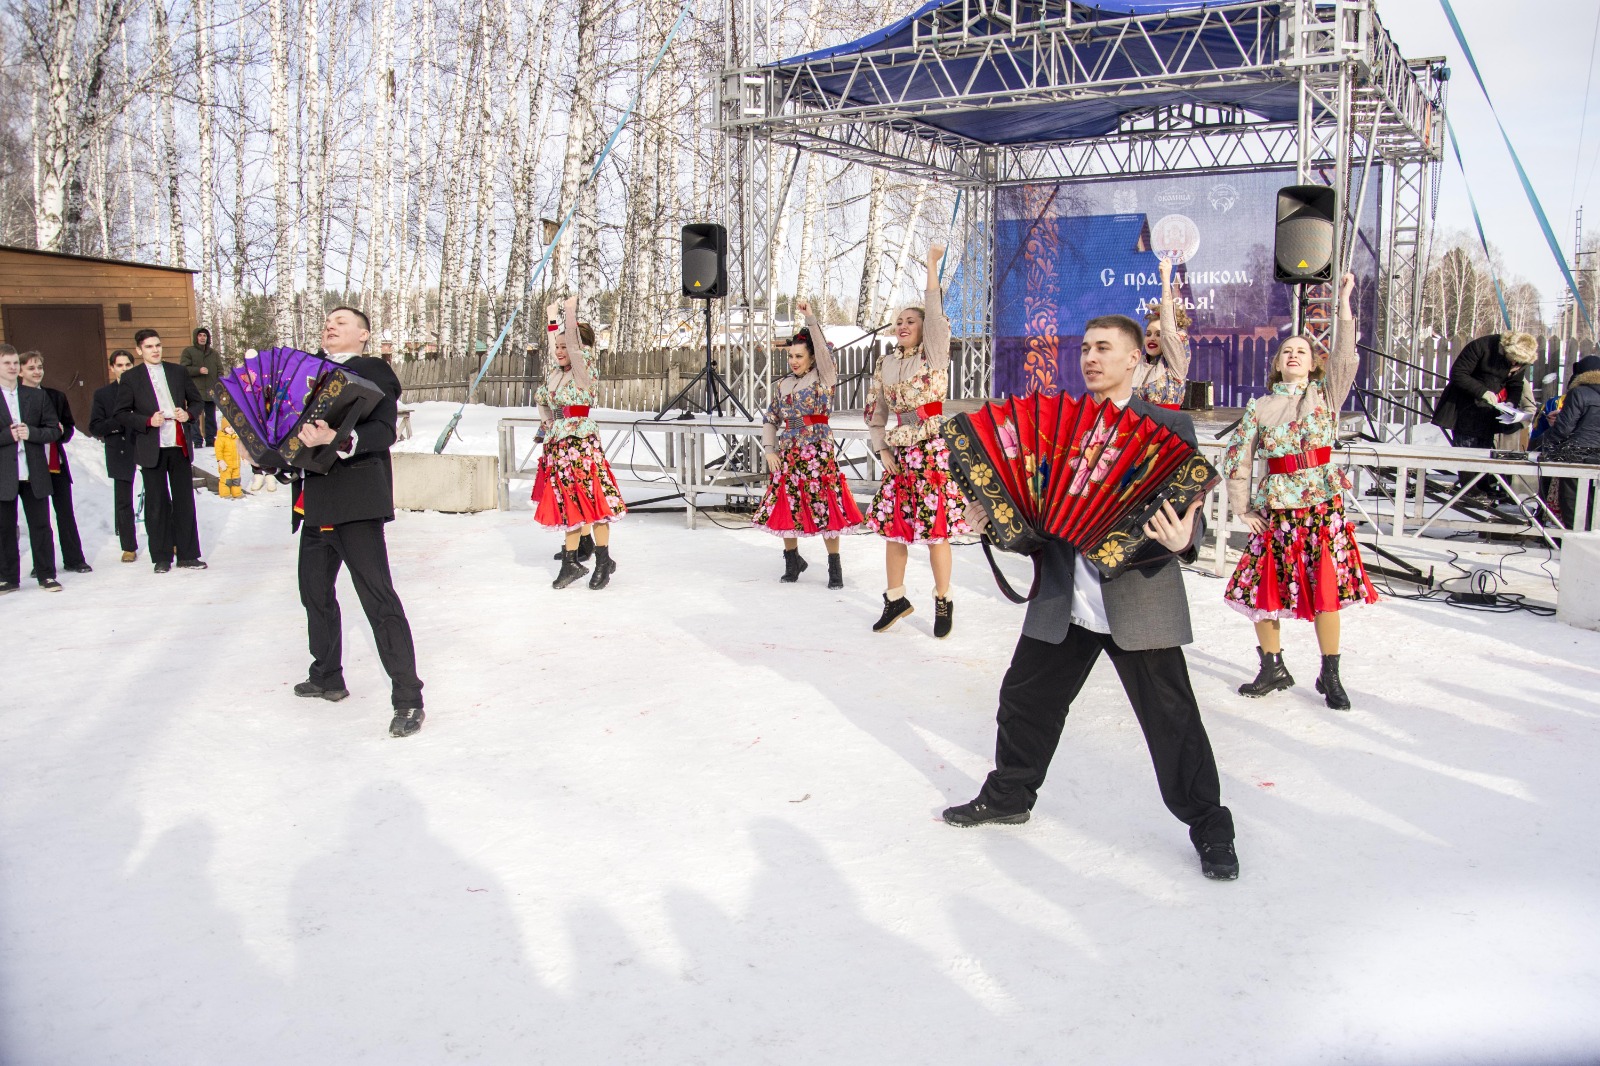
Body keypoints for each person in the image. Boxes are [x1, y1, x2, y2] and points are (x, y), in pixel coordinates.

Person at [943, 315, 1238, 882]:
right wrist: (994, 522)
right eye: (1085, 348)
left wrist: (1186, 542)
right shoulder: (1057, 427)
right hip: (1064, 597)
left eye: (1105, 348)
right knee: (1025, 700)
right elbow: (1035, 517)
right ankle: (1009, 796)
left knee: (1173, 721)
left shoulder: (1169, 424)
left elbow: (1187, 510)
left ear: (1135, 359)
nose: (1091, 357)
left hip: (1141, 601)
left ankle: (1209, 825)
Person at [1222, 273, 1378, 710]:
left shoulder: (1326, 394)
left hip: (1321, 507)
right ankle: (1272, 667)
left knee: (1325, 586)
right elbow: (1238, 458)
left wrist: (1343, 301)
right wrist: (1243, 508)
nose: (1294, 355)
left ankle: (1331, 674)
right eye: (1287, 351)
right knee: (1264, 588)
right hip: (1277, 511)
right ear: (1277, 363)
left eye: (1302, 351)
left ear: (1313, 363)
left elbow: (1346, 356)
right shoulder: (1259, 407)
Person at [290, 307, 424, 737]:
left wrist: (341, 439)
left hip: (355, 503)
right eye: (328, 321)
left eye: (341, 322)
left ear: (364, 335)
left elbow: (384, 431)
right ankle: (327, 675)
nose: (330, 325)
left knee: (378, 601)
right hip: (315, 502)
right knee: (314, 593)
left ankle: (408, 699)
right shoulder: (305, 371)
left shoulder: (373, 370)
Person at [864, 243, 969, 638]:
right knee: (895, 530)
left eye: (912, 320)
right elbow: (876, 414)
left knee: (934, 531)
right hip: (900, 454)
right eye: (899, 320)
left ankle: (943, 598)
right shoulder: (886, 363)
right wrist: (883, 449)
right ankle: (896, 598)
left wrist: (930, 266)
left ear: (925, 328)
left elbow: (937, 313)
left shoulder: (935, 354)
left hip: (931, 449)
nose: (903, 325)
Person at [752, 298, 864, 587]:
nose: (794, 361)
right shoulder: (783, 384)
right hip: (788, 453)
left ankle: (834, 568)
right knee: (787, 505)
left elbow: (825, 351)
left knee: (825, 506)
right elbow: (770, 418)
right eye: (791, 356)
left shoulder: (823, 377)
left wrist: (811, 317)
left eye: (799, 356)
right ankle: (793, 561)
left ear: (812, 358)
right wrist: (769, 450)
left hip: (816, 451)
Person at [533, 296, 626, 590]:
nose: (559, 351)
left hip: (581, 445)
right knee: (567, 502)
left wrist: (568, 312)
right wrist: (551, 316)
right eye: (556, 347)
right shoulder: (557, 375)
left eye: (565, 346)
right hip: (560, 445)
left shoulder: (583, 369)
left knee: (594, 500)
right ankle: (571, 561)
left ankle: (602, 561)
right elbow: (546, 401)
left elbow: (571, 346)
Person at [114, 329, 207, 574]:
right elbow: (122, 414)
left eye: (158, 345)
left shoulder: (178, 372)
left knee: (184, 501)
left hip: (178, 445)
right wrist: (146, 421)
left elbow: (196, 402)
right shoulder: (132, 378)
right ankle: (162, 556)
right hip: (151, 447)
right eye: (149, 347)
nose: (155, 350)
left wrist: (188, 415)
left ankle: (188, 554)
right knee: (156, 503)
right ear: (139, 350)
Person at [1429, 330, 1538, 502]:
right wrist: (1482, 391)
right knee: (1466, 447)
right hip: (1464, 404)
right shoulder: (1482, 346)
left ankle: (1484, 484)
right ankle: (1469, 487)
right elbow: (1458, 373)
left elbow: (1515, 384)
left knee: (1485, 447)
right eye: (1513, 360)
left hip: (1489, 409)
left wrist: (1510, 403)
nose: (1515, 364)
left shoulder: (1520, 360)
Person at [19, 351, 91, 574]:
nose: (37, 372)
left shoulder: (56, 396)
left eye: (40, 367)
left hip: (55, 462)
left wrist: (61, 432)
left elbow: (69, 428)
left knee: (65, 512)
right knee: (39, 518)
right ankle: (42, 564)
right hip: (31, 466)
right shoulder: (15, 398)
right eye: (31, 368)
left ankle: (74, 559)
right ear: (20, 371)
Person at [0, 344, 63, 593]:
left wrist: (32, 433)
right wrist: (8, 435)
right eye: (7, 363)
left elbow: (53, 430)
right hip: (4, 473)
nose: (13, 367)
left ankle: (47, 575)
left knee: (41, 525)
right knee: (4, 527)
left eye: (15, 363)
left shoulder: (36, 396)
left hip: (33, 471)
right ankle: (8, 578)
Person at [1534, 353, 1600, 528]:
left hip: (1577, 455)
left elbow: (1564, 430)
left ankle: (1572, 541)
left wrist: (1543, 446)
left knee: (1571, 501)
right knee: (1594, 502)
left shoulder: (1579, 393)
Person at [90, 349, 141, 561]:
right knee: (123, 501)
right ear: (112, 368)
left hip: (143, 445)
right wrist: (120, 420)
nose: (124, 369)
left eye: (128, 365)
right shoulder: (103, 395)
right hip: (119, 449)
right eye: (119, 365)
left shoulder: (143, 390)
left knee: (159, 495)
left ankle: (168, 539)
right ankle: (128, 546)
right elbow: (95, 426)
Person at [1134, 257, 1192, 408]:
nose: (1152, 338)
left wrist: (1166, 279)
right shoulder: (1137, 364)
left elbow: (1169, 333)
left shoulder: (1175, 366)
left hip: (1164, 429)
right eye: (1148, 334)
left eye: (1159, 334)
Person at [180, 327, 222, 446]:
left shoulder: (213, 353)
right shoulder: (189, 352)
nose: (202, 338)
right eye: (200, 335)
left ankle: (211, 440)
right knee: (194, 417)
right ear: (196, 337)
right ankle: (197, 441)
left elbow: (220, 369)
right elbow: (183, 369)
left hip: (211, 390)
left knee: (211, 417)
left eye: (205, 335)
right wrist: (198, 370)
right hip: (195, 390)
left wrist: (219, 384)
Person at [215, 413, 243, 499]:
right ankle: (225, 494)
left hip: (236, 464)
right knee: (226, 480)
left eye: (232, 427)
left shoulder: (236, 438)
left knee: (236, 480)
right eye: (228, 427)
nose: (231, 429)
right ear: (224, 428)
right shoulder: (221, 439)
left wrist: (243, 457)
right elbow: (218, 451)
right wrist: (220, 460)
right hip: (226, 465)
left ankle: (237, 493)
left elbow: (240, 449)